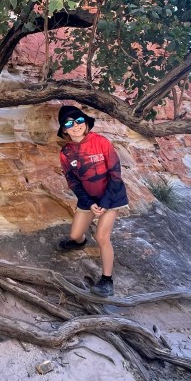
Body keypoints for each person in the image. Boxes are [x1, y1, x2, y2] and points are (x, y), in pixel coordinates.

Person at [56, 105, 128, 296]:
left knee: (102, 236)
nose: (75, 126)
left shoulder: (101, 142)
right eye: (69, 123)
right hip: (89, 198)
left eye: (79, 120)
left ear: (86, 123)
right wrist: (89, 203)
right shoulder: (66, 153)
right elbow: (73, 182)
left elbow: (115, 175)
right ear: (64, 130)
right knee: (74, 235)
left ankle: (107, 280)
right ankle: (79, 242)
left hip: (111, 197)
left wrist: (105, 203)